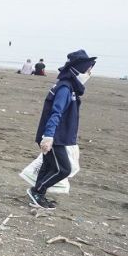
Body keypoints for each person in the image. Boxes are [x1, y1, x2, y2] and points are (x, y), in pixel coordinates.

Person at [27, 49, 97, 210]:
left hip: (57, 135)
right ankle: (37, 191)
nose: (89, 73)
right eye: (88, 70)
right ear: (79, 69)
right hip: (54, 136)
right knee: (63, 169)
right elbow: (56, 112)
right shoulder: (65, 88)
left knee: (48, 166)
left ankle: (38, 196)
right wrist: (48, 136)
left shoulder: (69, 87)